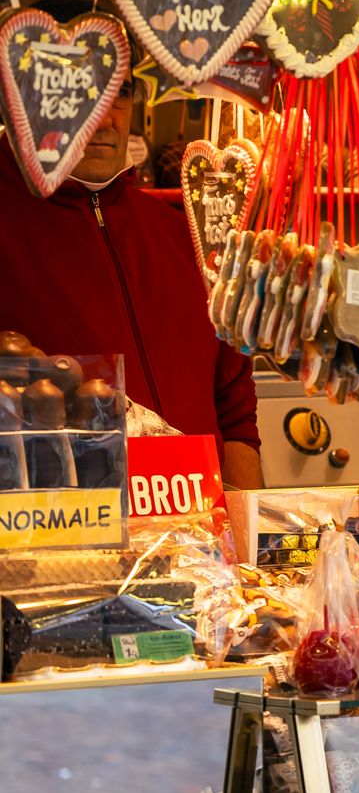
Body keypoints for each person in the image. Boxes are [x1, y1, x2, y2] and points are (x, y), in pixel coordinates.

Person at [0, 67, 263, 488]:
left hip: (202, 524)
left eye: (119, 92)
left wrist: (245, 519)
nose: (105, 117)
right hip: (60, 526)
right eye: (80, 90)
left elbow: (234, 412)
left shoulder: (185, 235)